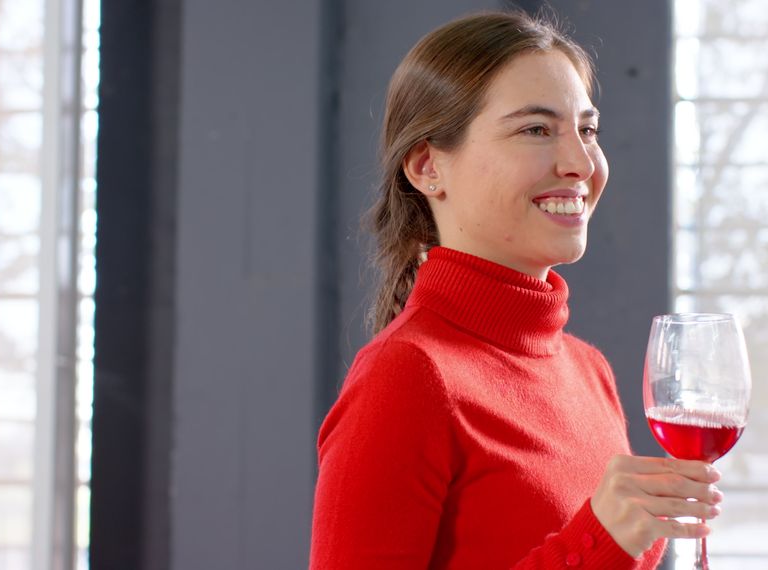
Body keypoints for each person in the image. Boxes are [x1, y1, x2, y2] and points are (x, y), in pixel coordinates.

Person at [310, 11, 723, 569]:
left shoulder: (589, 371)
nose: (580, 163)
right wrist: (596, 542)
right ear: (428, 167)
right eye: (536, 130)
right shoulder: (405, 375)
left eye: (587, 130)